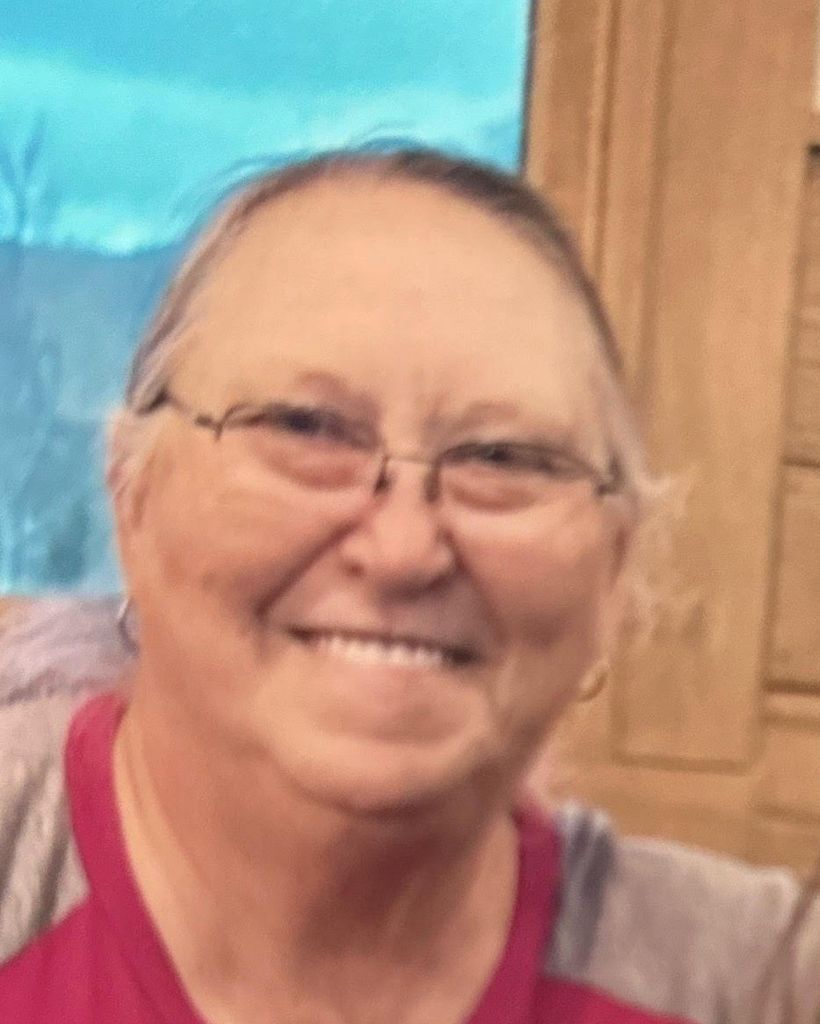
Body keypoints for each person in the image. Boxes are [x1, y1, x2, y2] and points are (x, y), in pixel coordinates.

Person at [0, 148, 817, 1024]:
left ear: (613, 570)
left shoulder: (754, 982)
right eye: (306, 428)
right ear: (132, 496)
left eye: (504, 458)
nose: (403, 550)